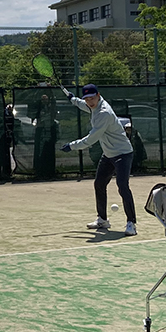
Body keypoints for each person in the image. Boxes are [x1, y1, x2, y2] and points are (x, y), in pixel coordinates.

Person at [61, 83, 137, 236]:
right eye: (87, 99)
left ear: (98, 95)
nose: (89, 101)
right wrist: (73, 99)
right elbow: (85, 105)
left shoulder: (104, 113)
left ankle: (131, 224)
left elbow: (91, 139)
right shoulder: (93, 105)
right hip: (109, 154)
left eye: (92, 98)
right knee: (99, 184)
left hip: (122, 153)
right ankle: (102, 219)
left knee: (122, 186)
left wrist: (72, 146)